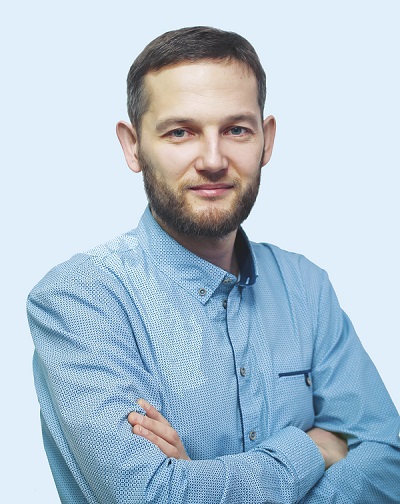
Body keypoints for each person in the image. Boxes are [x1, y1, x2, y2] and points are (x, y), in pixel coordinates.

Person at [27, 26, 400, 503]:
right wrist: (310, 448)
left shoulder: (306, 286)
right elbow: (151, 496)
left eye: (236, 130)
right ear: (132, 145)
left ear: (266, 140)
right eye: (180, 132)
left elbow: (386, 459)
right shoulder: (80, 300)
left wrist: (198, 482)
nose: (212, 159)